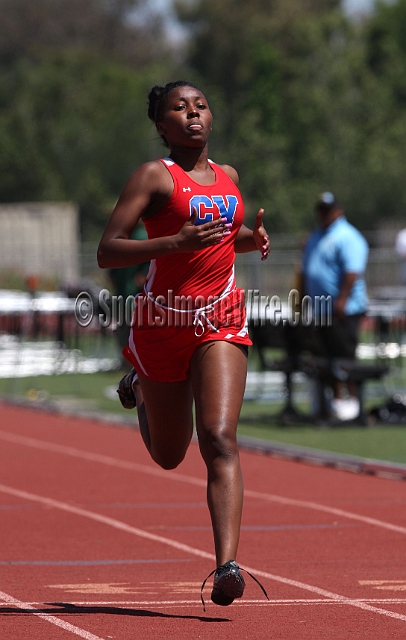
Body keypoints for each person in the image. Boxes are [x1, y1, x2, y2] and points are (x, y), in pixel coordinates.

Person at [97, 80, 270, 607]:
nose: (193, 114)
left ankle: (227, 567)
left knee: (218, 438)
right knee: (171, 455)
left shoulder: (229, 177)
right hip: (160, 322)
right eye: (180, 108)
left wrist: (250, 238)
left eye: (200, 106)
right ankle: (142, 388)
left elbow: (218, 236)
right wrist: (170, 242)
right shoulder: (154, 176)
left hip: (220, 316)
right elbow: (108, 251)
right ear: (162, 124)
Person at [301, 192, 369, 421]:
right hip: (320, 310)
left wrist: (342, 300)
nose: (323, 214)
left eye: (327, 210)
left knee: (345, 357)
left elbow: (352, 271)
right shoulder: (316, 236)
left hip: (342, 310)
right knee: (325, 358)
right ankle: (333, 402)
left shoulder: (346, 235)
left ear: (337, 211)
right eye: (320, 210)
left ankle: (353, 403)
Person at [108, 224, 150, 370]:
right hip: (125, 297)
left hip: (136, 297)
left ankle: (132, 366)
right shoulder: (124, 237)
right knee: (125, 333)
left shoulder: (141, 236)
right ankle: (129, 366)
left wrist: (143, 275)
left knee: (133, 335)